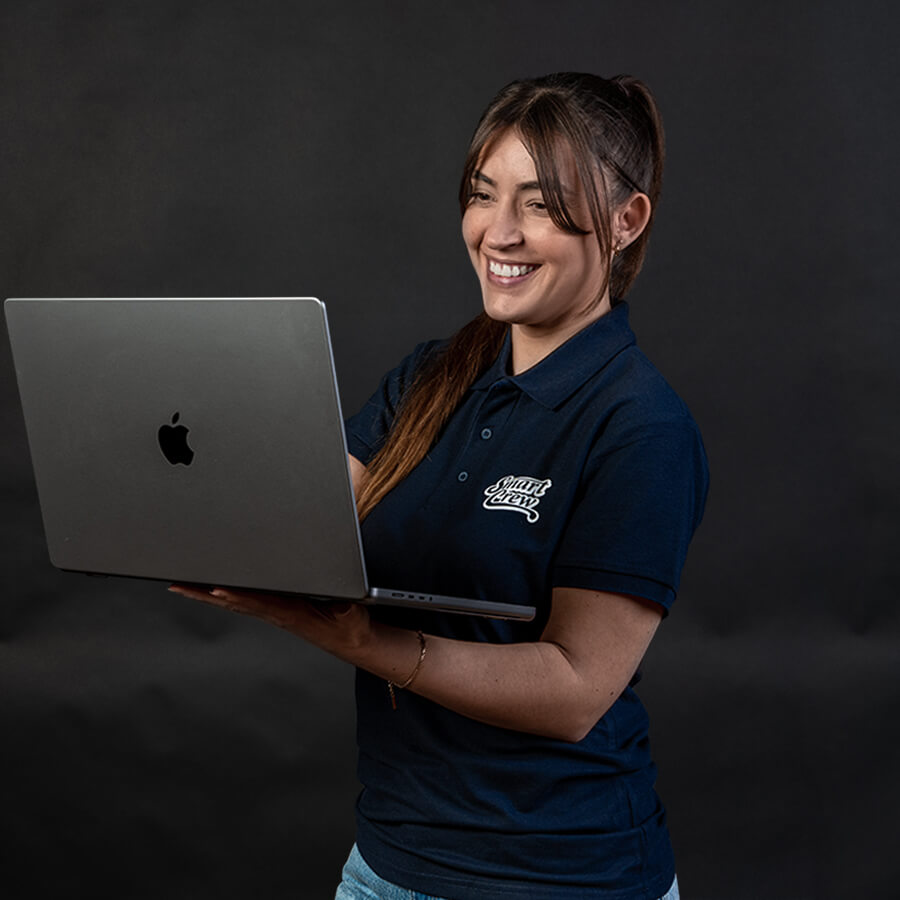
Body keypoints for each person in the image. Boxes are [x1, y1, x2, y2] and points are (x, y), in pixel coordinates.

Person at [171, 72, 708, 900]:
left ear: (628, 221)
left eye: (540, 203)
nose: (499, 231)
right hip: (388, 865)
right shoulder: (431, 375)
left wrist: (366, 644)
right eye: (483, 194)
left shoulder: (641, 427)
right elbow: (308, 525)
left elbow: (574, 691)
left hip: (563, 880)